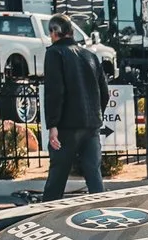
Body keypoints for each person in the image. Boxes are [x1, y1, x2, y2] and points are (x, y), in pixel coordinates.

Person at [39, 15, 110, 200]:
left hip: (66, 126)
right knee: (94, 175)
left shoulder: (54, 53)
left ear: (54, 33)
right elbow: (104, 92)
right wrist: (96, 114)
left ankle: (45, 216)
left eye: (51, 33)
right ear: (71, 32)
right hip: (91, 124)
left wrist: (52, 125)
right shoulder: (90, 55)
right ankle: (103, 211)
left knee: (57, 177)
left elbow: (55, 91)